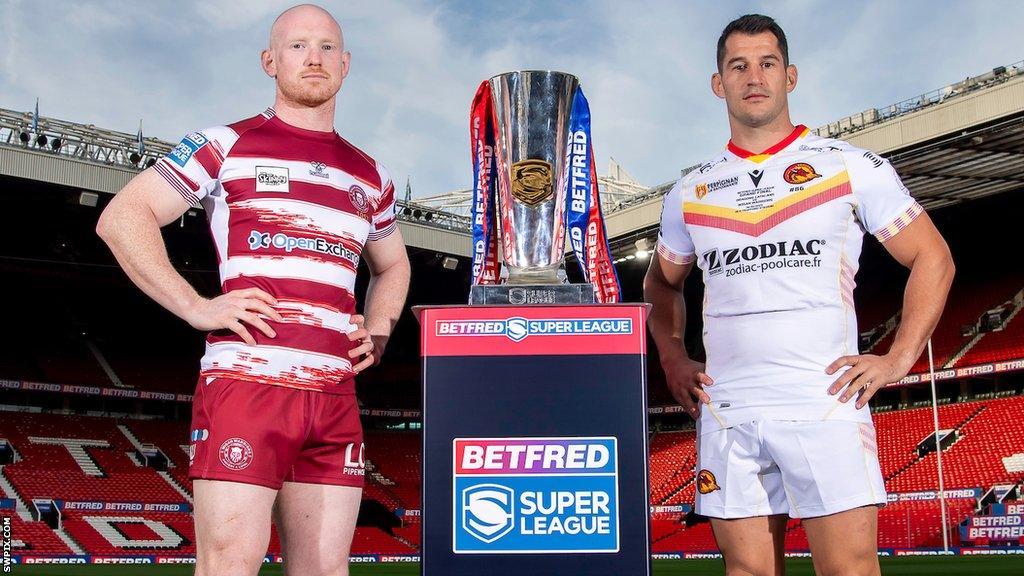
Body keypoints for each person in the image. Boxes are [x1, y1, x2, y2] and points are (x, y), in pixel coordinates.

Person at [96, 5, 410, 575]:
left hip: (334, 394)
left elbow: (393, 267)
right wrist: (196, 306)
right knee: (229, 563)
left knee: (324, 569)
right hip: (246, 387)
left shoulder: (371, 175)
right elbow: (124, 216)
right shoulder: (225, 144)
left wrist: (381, 328)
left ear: (346, 64)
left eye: (326, 46)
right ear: (270, 61)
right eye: (296, 46)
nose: (313, 57)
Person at [644, 13, 954, 576]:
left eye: (767, 63)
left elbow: (933, 257)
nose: (753, 76)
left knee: (849, 570)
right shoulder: (689, 191)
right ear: (719, 84)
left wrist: (899, 357)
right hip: (729, 407)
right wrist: (672, 356)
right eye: (738, 66)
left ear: (791, 76)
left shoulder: (851, 167)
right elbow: (662, 283)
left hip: (824, 400)